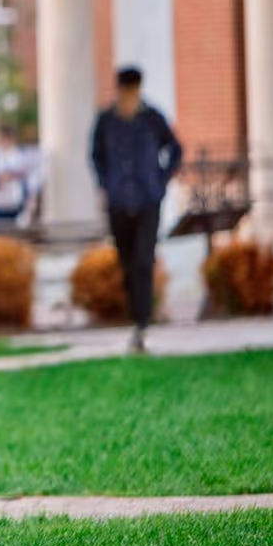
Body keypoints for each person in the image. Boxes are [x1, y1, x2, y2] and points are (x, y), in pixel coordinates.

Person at [91, 66, 183, 354]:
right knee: (127, 262)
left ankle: (142, 322)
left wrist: (161, 180)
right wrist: (107, 183)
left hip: (148, 201)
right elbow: (96, 156)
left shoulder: (152, 118)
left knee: (144, 260)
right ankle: (136, 315)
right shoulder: (106, 120)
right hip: (119, 202)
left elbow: (175, 149)